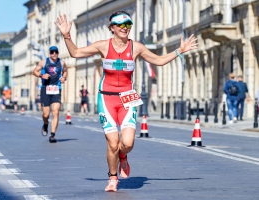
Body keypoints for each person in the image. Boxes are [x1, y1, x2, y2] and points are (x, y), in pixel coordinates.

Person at [55, 11, 198, 192]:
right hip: (106, 98)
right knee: (113, 143)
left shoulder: (136, 47)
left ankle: (123, 156)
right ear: (112, 27)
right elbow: (75, 53)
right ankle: (113, 178)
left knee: (128, 143)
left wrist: (180, 51)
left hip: (127, 99)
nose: (124, 28)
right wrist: (66, 35)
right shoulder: (103, 46)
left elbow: (159, 60)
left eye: (128, 24)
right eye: (120, 25)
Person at [32, 46, 67, 143]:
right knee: (46, 114)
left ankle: (52, 135)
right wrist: (41, 75)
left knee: (56, 112)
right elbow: (34, 71)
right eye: (52, 52)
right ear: (49, 53)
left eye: (56, 52)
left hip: (57, 89)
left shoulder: (62, 63)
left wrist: (64, 78)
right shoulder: (44, 62)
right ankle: (45, 124)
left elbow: (65, 72)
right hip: (45, 89)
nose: (54, 54)